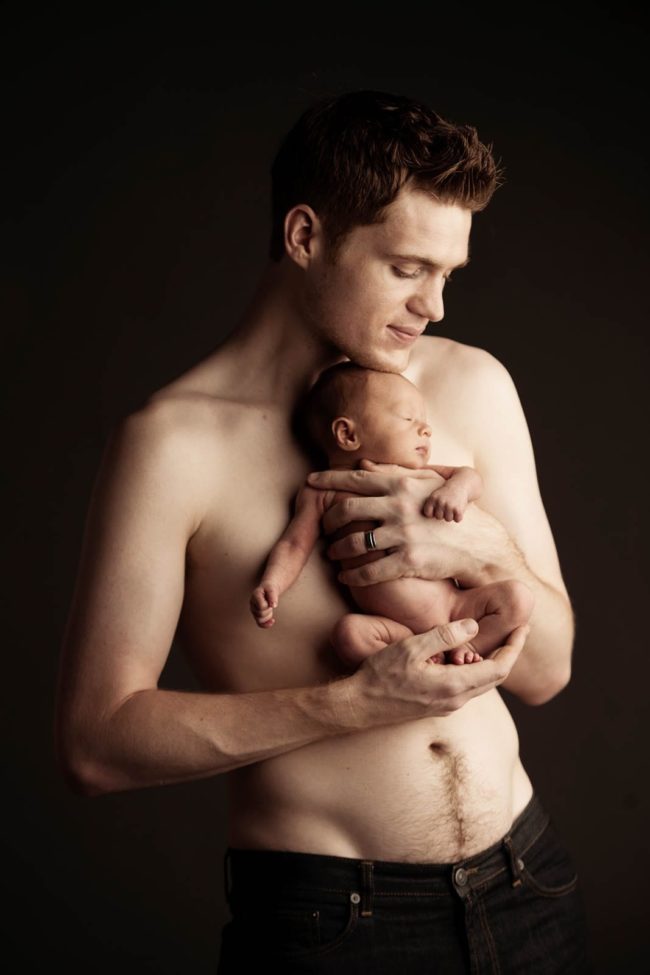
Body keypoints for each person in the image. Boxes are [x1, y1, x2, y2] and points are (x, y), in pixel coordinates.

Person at [54, 89, 593, 972]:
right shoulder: (173, 446)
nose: (436, 307)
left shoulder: (473, 385)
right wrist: (349, 705)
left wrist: (491, 553)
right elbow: (94, 742)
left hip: (527, 885)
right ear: (306, 237)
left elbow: (550, 667)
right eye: (409, 267)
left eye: (449, 275)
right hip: (333, 927)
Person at [250, 363, 535, 668]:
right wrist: (273, 582)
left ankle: (462, 648)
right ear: (347, 434)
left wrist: (456, 491)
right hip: (394, 630)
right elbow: (294, 544)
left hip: (455, 606)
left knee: (518, 598)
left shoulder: (412, 476)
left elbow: (468, 477)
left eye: (425, 422)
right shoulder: (322, 491)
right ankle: (418, 658)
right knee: (348, 635)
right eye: (408, 418)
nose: (425, 429)